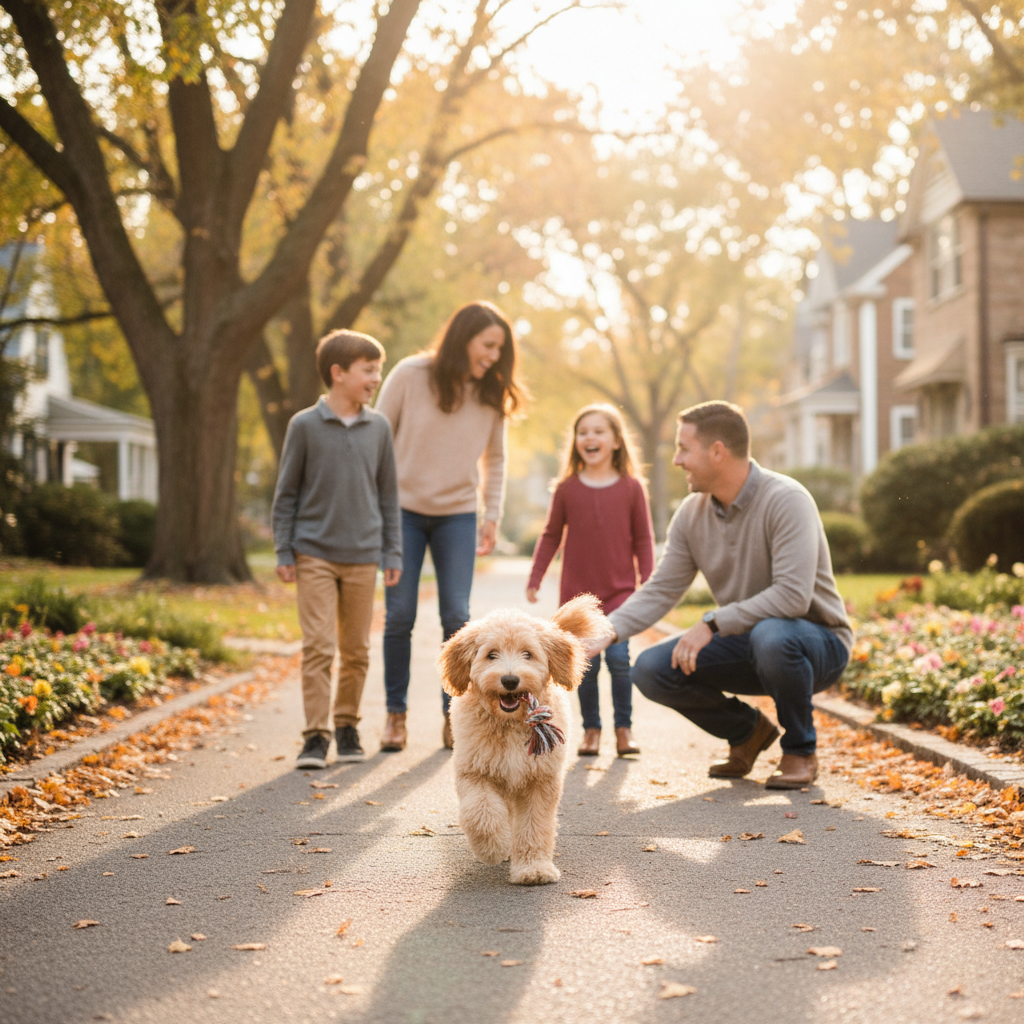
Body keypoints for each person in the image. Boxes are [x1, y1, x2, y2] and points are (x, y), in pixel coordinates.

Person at [587, 400, 852, 788]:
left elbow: (793, 597)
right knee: (652, 668)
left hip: (816, 643)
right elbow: (662, 588)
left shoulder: (787, 500)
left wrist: (712, 622)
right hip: (750, 644)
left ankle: (800, 751)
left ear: (717, 452)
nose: (677, 460)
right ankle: (747, 733)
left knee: (773, 635)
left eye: (683, 448)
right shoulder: (692, 513)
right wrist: (603, 633)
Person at [375, 300, 525, 751]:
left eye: (500, 349)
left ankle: (452, 718)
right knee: (399, 615)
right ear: (464, 339)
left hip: (457, 515)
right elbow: (377, 442)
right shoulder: (409, 375)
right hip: (402, 512)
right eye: (488, 345)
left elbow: (495, 459)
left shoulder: (490, 394)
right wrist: (375, 515)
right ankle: (395, 716)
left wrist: (491, 513)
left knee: (457, 618)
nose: (494, 356)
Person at [272, 329, 402, 770]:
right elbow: (286, 493)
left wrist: (393, 552)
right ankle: (315, 735)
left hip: (364, 555)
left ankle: (346, 726)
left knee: (357, 650)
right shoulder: (305, 425)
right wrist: (283, 550)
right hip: (314, 554)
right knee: (319, 647)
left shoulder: (379, 426)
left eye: (378, 370)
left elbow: (388, 495)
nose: (375, 378)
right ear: (339, 373)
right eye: (369, 370)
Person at [527, 403, 654, 757]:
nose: (590, 438)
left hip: (620, 594)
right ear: (575, 442)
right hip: (577, 599)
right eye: (583, 432)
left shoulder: (631, 488)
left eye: (599, 431)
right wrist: (536, 576)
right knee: (586, 664)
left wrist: (649, 580)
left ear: (616, 440)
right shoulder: (567, 488)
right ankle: (592, 731)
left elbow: (643, 538)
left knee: (618, 660)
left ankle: (624, 730)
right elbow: (551, 534)